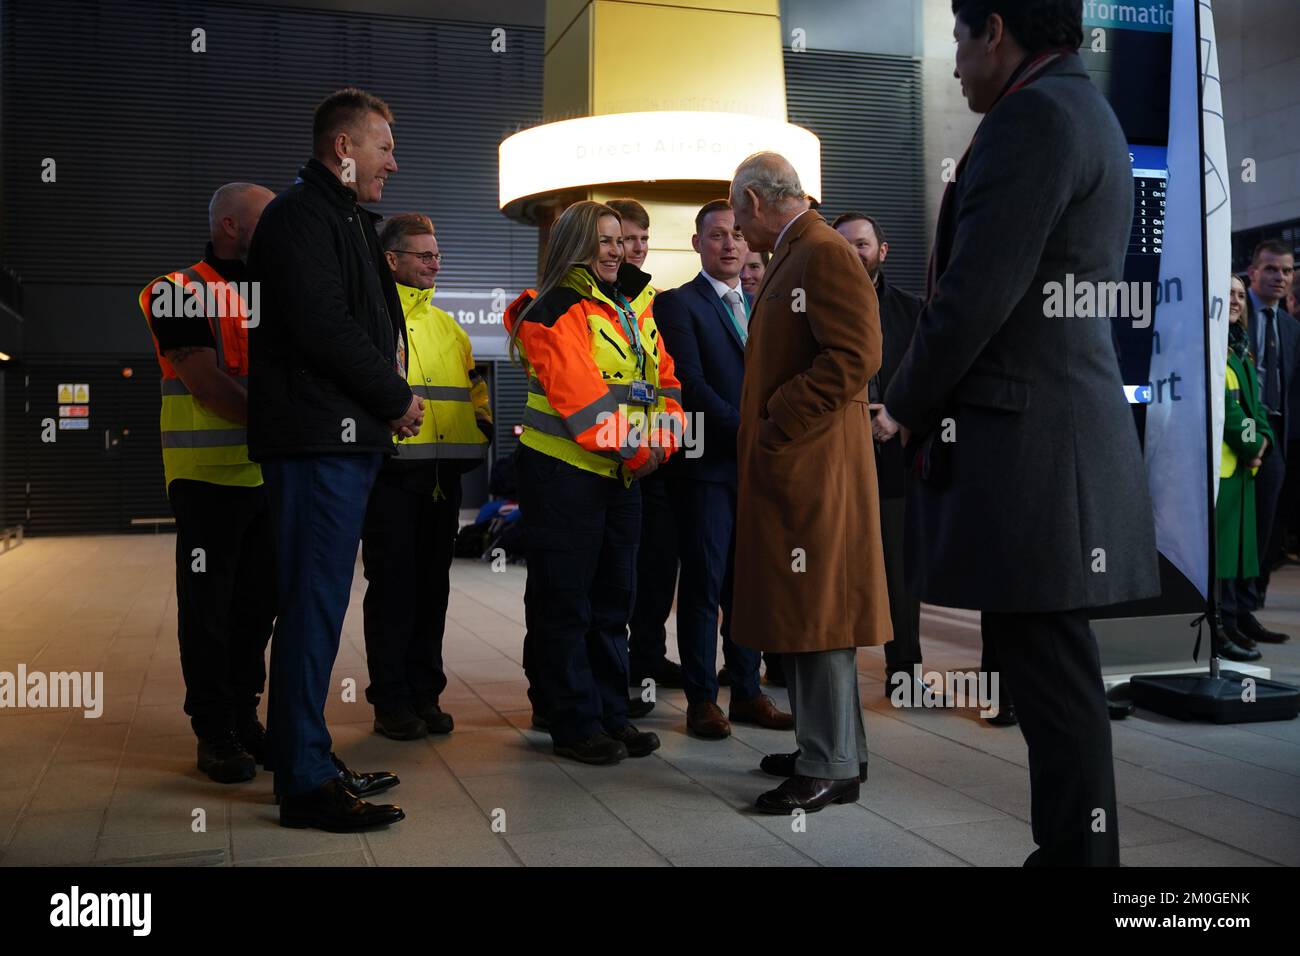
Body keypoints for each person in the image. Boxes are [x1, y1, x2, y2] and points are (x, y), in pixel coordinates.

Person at [875, 0, 1160, 866]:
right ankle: (1074, 851)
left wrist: (904, 402)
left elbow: (974, 295)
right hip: (1054, 433)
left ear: (994, 29)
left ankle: (1079, 857)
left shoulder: (1031, 118)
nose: (956, 64)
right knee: (1050, 667)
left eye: (960, 42)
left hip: (1036, 443)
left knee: (1052, 672)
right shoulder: (1081, 108)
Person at [248, 87, 421, 831]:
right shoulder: (300, 217)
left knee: (319, 605)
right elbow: (324, 327)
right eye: (383, 144)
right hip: (320, 440)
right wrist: (394, 396)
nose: (394, 158)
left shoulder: (342, 215)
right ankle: (304, 782)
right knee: (312, 606)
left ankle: (306, 753)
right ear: (343, 149)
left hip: (338, 439)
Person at [728, 152, 891, 814]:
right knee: (811, 613)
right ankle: (835, 753)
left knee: (818, 616)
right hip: (803, 465)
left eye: (737, 215)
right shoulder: (802, 250)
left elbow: (856, 355)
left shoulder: (818, 252)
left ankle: (827, 762)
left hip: (812, 468)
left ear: (757, 202)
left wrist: (778, 420)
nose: (738, 230)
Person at [504, 200, 687, 765]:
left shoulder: (628, 308)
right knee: (567, 604)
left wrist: (664, 441)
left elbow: (666, 383)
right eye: (604, 241)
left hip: (621, 475)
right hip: (565, 478)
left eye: (619, 239)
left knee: (613, 603)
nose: (616, 250)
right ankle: (572, 721)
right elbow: (582, 404)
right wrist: (642, 453)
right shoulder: (554, 309)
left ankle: (610, 713)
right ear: (578, 246)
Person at [139, 183, 277, 784]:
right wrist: (290, 425)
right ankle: (214, 730)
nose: (274, 230)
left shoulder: (274, 290)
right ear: (228, 226)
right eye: (262, 220)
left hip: (268, 476)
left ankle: (244, 718)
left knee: (257, 608)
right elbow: (205, 383)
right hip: (207, 480)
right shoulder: (175, 291)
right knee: (209, 609)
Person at [653, 199, 794, 740]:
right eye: (716, 235)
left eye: (737, 233)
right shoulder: (678, 305)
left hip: (755, 468)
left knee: (747, 585)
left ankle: (748, 692)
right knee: (705, 586)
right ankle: (701, 701)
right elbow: (689, 383)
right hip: (708, 466)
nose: (730, 243)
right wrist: (751, 431)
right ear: (697, 244)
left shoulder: (762, 303)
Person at [360, 213, 493, 740]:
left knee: (432, 589)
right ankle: (391, 701)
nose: (435, 263)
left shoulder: (448, 327)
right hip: (391, 478)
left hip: (442, 478)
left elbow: (474, 392)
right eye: (424, 255)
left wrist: (480, 431)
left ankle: (424, 695)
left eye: (437, 254)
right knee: (392, 590)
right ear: (391, 260)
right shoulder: (372, 320)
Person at [833, 211, 926, 701]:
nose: (853, 253)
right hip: (832, 455)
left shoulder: (913, 312)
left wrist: (899, 413)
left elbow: (930, 374)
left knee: (898, 566)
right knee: (831, 565)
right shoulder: (815, 307)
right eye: (843, 245)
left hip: (893, 453)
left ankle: (904, 672)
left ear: (881, 251)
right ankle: (823, 676)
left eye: (861, 245)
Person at [607, 198, 685, 699]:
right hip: (600, 460)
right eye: (620, 240)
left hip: (656, 461)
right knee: (611, 581)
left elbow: (668, 383)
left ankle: (648, 660)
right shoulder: (581, 300)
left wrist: (663, 444)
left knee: (657, 569)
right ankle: (609, 678)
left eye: (639, 238)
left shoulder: (652, 303)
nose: (632, 248)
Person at [1232, 239, 1298, 641]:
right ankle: (1229, 611)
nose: (1280, 277)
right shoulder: (1235, 314)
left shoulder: (1290, 328)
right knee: (1237, 526)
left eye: (1287, 271)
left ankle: (1249, 608)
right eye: (1271, 269)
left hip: (1275, 434)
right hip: (1238, 429)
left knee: (1267, 530)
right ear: (1252, 272)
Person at [1215, 275, 1270, 663]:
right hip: (1225, 468)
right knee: (1220, 560)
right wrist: (1253, 443)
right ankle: (1219, 630)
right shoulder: (1214, 349)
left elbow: (1257, 409)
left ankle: (1230, 625)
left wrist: (1262, 438)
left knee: (1234, 558)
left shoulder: (1241, 350)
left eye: (1239, 294)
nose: (1235, 300)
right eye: (1227, 293)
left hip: (1241, 470)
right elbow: (1232, 412)